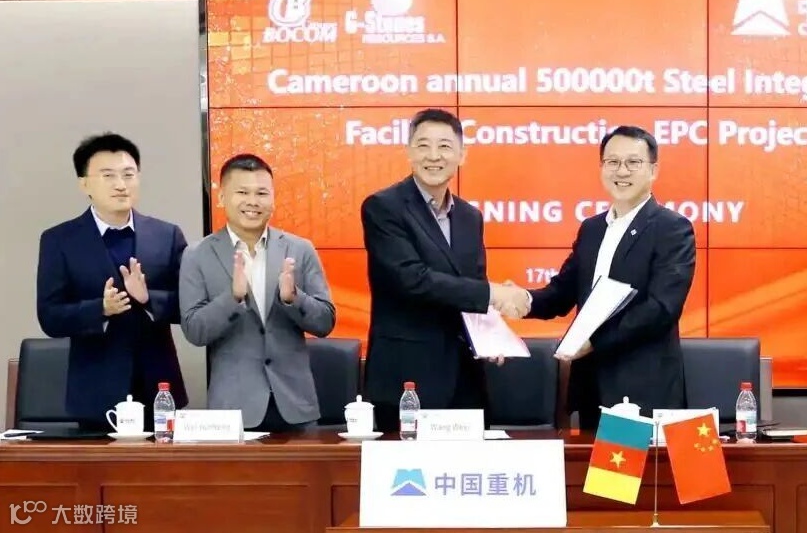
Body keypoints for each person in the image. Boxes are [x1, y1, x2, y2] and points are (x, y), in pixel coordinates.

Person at [514, 125, 696, 432]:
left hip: (642, 391)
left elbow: (661, 308)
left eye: (633, 162)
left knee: (630, 466)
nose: (621, 171)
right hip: (592, 388)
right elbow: (562, 292)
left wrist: (594, 341)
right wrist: (523, 300)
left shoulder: (672, 228)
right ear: (601, 168)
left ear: (653, 170)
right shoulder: (592, 229)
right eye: (612, 162)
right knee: (590, 466)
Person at [361, 108, 527, 433]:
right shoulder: (383, 207)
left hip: (465, 379)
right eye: (423, 145)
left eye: (445, 146)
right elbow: (412, 279)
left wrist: (492, 334)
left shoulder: (469, 217)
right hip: (407, 378)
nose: (434, 156)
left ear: (462, 155)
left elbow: (472, 286)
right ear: (409, 151)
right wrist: (494, 294)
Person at [36, 132, 189, 431]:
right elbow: (50, 317)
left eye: (129, 174)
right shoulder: (60, 240)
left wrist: (149, 299)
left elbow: (190, 307)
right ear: (84, 184)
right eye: (108, 175)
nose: (121, 184)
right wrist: (100, 309)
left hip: (159, 390)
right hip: (95, 392)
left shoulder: (166, 235)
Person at [179, 154, 336, 432]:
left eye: (262, 193)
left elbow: (325, 322)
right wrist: (233, 299)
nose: (253, 201)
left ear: (273, 199)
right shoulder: (197, 255)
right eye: (242, 192)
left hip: (295, 407)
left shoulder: (299, 249)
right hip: (233, 410)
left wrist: (293, 298)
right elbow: (195, 331)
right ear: (222, 197)